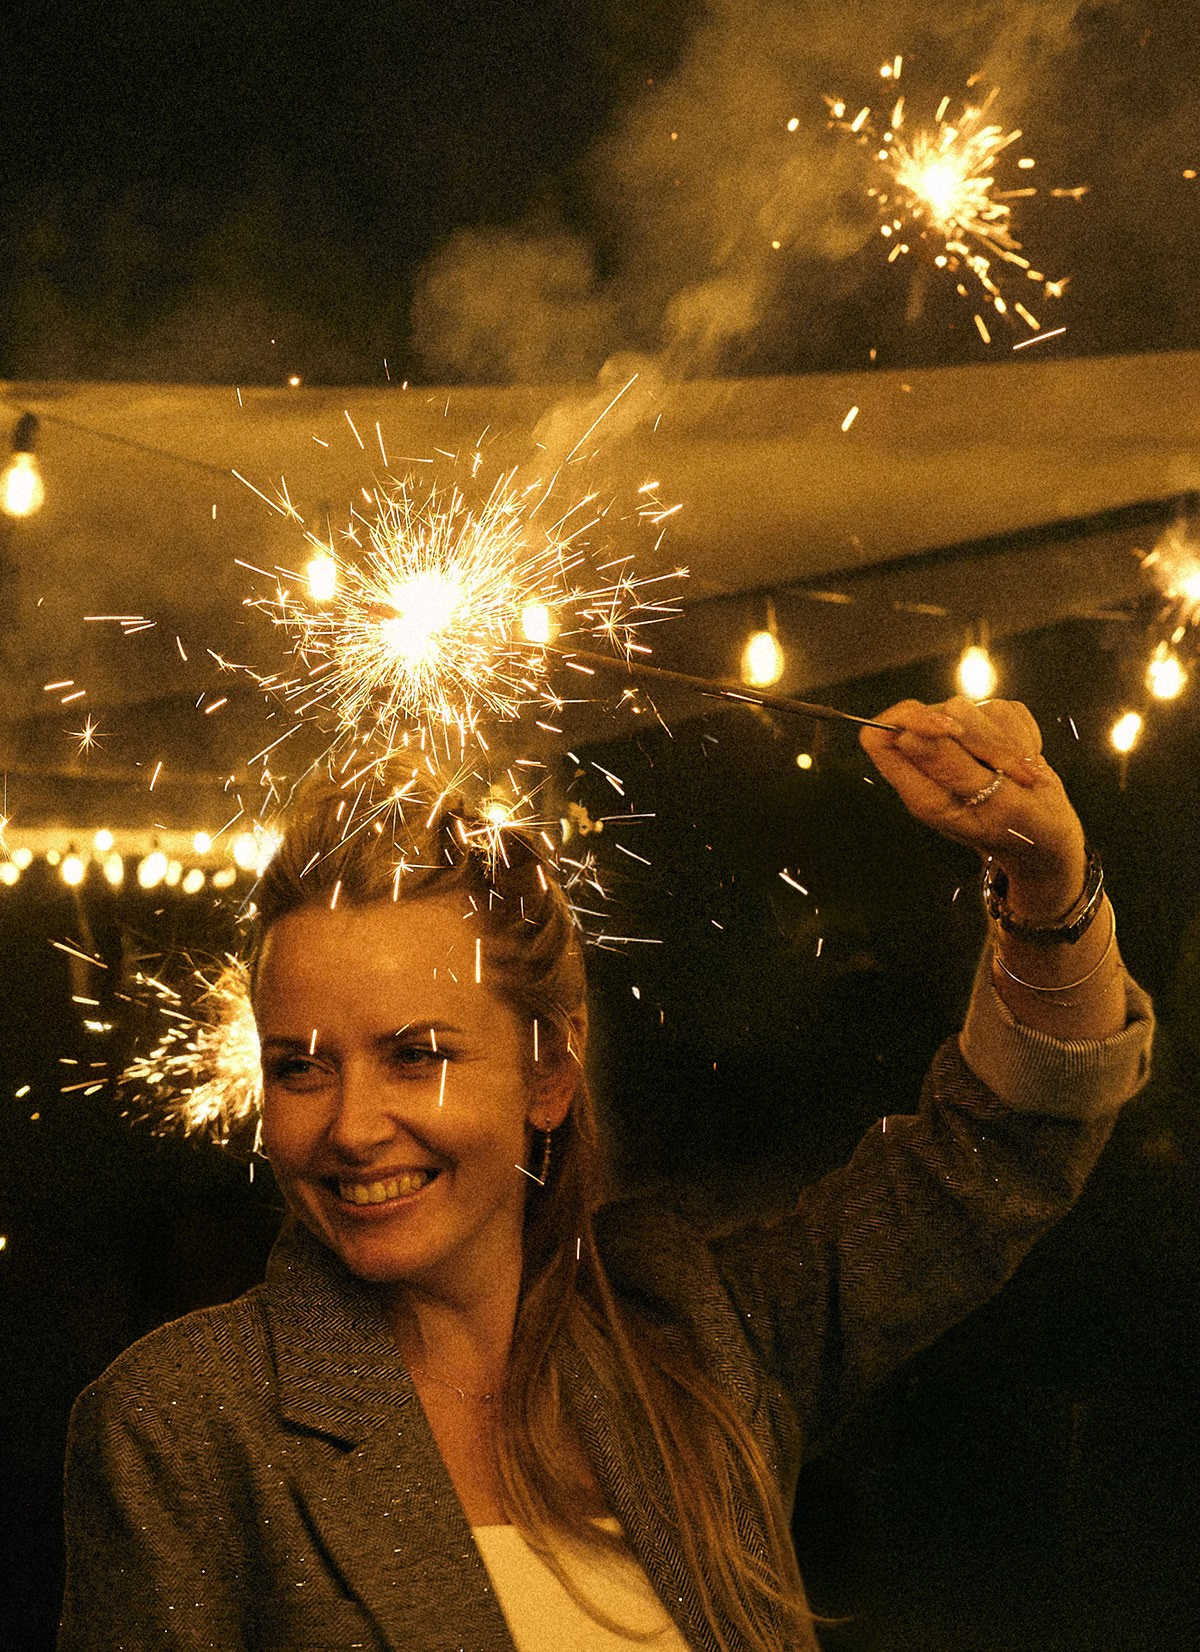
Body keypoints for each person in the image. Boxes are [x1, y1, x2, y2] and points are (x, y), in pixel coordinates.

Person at [58, 697, 1153, 1652]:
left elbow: (993, 1156)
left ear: (549, 1069)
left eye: (417, 1053)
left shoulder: (690, 1330)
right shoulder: (187, 1425)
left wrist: (1048, 884)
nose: (351, 1125)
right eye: (301, 1067)